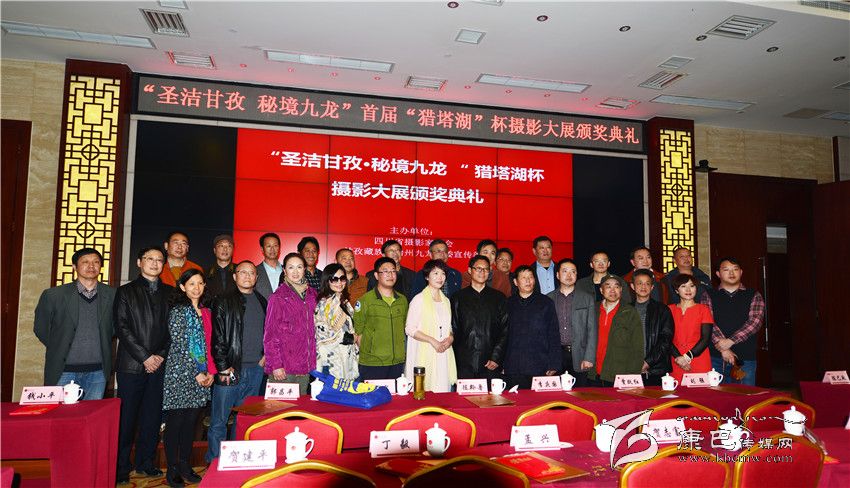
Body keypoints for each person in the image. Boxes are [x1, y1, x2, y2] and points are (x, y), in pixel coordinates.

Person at [115, 247, 173, 483]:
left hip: (159, 365)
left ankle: (145, 463)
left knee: (152, 417)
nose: (155, 263)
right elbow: (122, 328)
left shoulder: (170, 293)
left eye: (159, 260)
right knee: (127, 419)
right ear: (139, 262)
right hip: (131, 366)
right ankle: (120, 468)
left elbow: (173, 329)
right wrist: (145, 357)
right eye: (150, 259)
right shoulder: (125, 291)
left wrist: (159, 356)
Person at [34, 247, 115, 399]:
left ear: (101, 266)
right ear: (74, 266)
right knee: (60, 413)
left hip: (98, 371)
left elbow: (115, 327)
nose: (91, 266)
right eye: (85, 262)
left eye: (96, 262)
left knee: (92, 413)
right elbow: (41, 328)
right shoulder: (54, 295)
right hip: (63, 370)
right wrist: (60, 344)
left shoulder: (112, 294)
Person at [206, 261, 267, 463]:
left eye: (252, 273)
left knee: (244, 420)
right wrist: (223, 367)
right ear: (235, 276)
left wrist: (266, 355)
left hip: (255, 370)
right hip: (230, 369)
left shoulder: (262, 301)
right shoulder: (223, 301)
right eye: (243, 272)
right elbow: (217, 337)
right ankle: (215, 462)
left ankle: (235, 462)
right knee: (219, 420)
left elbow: (268, 333)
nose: (247, 276)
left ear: (256, 277)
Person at [162, 269, 213, 487]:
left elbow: (210, 344)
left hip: (203, 375)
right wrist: (196, 372)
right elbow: (180, 345)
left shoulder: (206, 312)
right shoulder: (178, 312)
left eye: (200, 283)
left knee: (191, 423)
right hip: (180, 373)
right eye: (191, 283)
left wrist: (210, 372)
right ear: (183, 287)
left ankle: (185, 464)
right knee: (176, 423)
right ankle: (172, 468)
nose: (196, 288)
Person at [701, 257, 765, 386]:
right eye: (726, 270)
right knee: (716, 395)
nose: (731, 273)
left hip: (745, 357)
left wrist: (730, 342)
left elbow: (755, 322)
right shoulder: (708, 294)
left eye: (735, 269)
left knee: (744, 395)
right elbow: (708, 322)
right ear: (718, 274)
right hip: (715, 356)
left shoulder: (753, 294)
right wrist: (723, 349)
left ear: (741, 272)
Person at [264, 253, 318, 395]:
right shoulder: (278, 297)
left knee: (300, 407)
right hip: (284, 368)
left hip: (304, 367)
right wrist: (276, 365)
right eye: (291, 267)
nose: (295, 272)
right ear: (284, 270)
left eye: (299, 267)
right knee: (281, 407)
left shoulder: (313, 295)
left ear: (304, 269)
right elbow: (270, 335)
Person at [502, 265, 560, 389]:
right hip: (513, 365)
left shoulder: (546, 303)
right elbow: (503, 335)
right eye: (524, 278)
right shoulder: (508, 303)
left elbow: (553, 334)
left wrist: (554, 362)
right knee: (515, 400)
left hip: (540, 364)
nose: (528, 281)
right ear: (516, 282)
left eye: (531, 277)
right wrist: (501, 362)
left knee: (538, 400)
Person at [451, 255, 508, 380]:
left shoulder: (499, 298)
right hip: (464, 363)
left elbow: (505, 330)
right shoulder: (458, 298)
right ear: (470, 270)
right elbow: (453, 329)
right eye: (478, 268)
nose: (482, 272)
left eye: (486, 269)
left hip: (490, 363)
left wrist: (496, 357)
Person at [405, 259, 457, 392]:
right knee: (425, 391)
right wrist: (432, 341)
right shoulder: (419, 299)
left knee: (442, 390)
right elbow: (409, 328)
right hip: (425, 350)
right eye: (436, 273)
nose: (440, 277)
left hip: (443, 352)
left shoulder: (446, 301)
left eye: (443, 274)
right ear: (427, 276)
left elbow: (448, 327)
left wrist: (450, 338)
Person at [355, 257, 409, 380]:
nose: (390, 274)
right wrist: (370, 354)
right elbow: (358, 332)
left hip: (397, 362)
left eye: (393, 271)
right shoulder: (365, 300)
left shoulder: (402, 300)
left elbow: (404, 328)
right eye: (385, 271)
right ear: (376, 275)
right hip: (373, 363)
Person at [546, 258, 596, 387]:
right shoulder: (548, 299)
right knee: (556, 394)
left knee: (580, 394)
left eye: (573, 271)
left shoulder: (587, 298)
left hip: (579, 354)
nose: (569, 275)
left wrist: (589, 357)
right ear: (557, 275)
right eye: (565, 271)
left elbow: (592, 329)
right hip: (556, 354)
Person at [593, 276, 644, 386]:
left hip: (619, 373)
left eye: (616, 287)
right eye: (608, 286)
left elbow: (638, 345)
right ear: (601, 290)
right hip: (593, 372)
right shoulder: (593, 309)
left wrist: (633, 373)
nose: (612, 290)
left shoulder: (629, 312)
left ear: (621, 290)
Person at [315, 264, 359, 380]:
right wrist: (350, 338)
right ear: (327, 281)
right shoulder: (324, 304)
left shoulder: (344, 301)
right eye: (334, 279)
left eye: (342, 278)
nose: (339, 282)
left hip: (347, 358)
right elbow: (322, 334)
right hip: (331, 362)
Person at [630, 269, 674, 386]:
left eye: (647, 283)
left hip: (656, 369)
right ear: (633, 286)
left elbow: (666, 339)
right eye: (639, 283)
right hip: (629, 368)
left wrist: (648, 362)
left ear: (652, 287)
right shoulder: (625, 310)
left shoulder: (663, 310)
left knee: (656, 398)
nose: (643, 287)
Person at [669, 274, 714, 382]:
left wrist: (686, 357)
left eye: (692, 286)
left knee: (700, 391)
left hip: (698, 357)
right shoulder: (669, 309)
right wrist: (678, 358)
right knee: (676, 390)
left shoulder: (704, 309)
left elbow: (706, 338)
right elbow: (665, 337)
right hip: (676, 358)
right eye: (683, 286)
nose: (688, 289)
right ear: (676, 290)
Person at [205, 234, 236, 299]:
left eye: (229, 246)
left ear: (233, 250)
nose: (225, 249)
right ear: (214, 250)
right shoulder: (205, 272)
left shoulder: (239, 270)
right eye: (221, 246)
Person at [255, 232, 282, 300]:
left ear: (279, 248)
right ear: (262, 249)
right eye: (268, 246)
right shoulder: (254, 271)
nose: (272, 249)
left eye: (275, 245)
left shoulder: (287, 271)